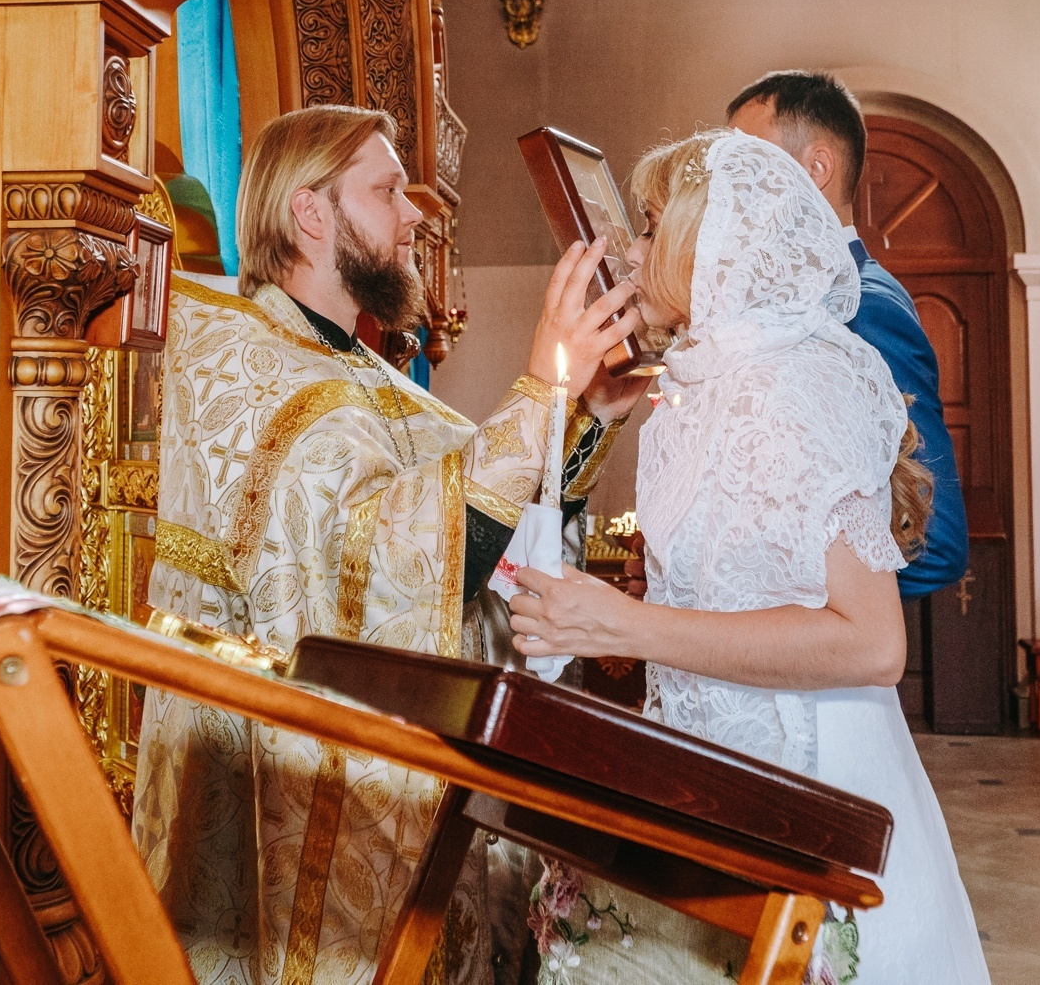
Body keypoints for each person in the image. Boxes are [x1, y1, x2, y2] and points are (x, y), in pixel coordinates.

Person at [130, 105, 646, 985]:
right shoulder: (240, 361)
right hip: (259, 776)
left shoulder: (357, 368)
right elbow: (385, 550)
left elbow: (467, 533)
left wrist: (583, 413)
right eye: (386, 191)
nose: (417, 213)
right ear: (310, 213)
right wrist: (542, 383)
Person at [506, 131, 988, 984]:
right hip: (713, 770)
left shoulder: (795, 378)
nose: (631, 248)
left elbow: (872, 642)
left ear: (708, 240)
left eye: (651, 227)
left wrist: (629, 621)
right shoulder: (701, 384)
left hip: (810, 773)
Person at [727, 72, 969, 601]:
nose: (728, 184)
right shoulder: (790, 300)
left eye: (747, 162)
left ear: (817, 168)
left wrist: (777, 594)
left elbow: (937, 541)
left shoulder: (866, 307)